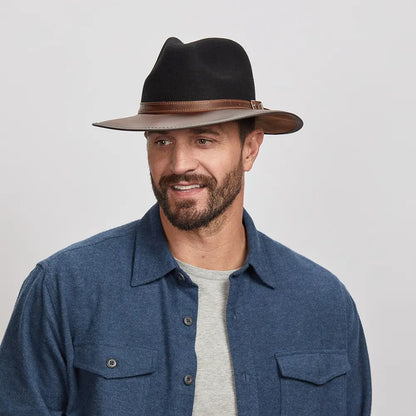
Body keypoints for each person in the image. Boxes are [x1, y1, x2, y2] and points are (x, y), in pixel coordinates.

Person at [0, 37, 371, 415]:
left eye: (204, 140)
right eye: (162, 141)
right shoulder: (65, 289)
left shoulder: (324, 304)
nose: (179, 164)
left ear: (250, 149)